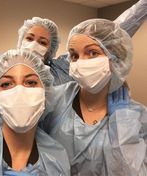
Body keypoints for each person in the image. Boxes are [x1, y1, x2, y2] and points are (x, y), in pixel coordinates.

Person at [0, 0, 147, 85]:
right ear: (20, 40)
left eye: (43, 42)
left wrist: (143, 6)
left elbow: (106, 37)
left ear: (50, 50)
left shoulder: (63, 70)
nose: (34, 45)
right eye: (30, 38)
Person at [43, 18, 147, 175]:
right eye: (74, 55)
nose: (81, 62)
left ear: (116, 58)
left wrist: (124, 131)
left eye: (92, 53)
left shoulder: (136, 117)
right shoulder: (55, 99)